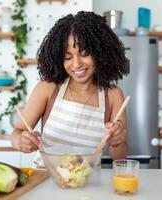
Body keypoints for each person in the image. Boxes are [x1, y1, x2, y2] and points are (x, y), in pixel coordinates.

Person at [11, 11, 128, 163]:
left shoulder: (112, 95)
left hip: (87, 181)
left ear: (100, 52)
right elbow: (17, 132)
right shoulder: (47, 88)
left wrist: (116, 141)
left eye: (84, 53)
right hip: (46, 178)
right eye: (67, 57)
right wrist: (21, 141)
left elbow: (120, 155)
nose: (76, 64)